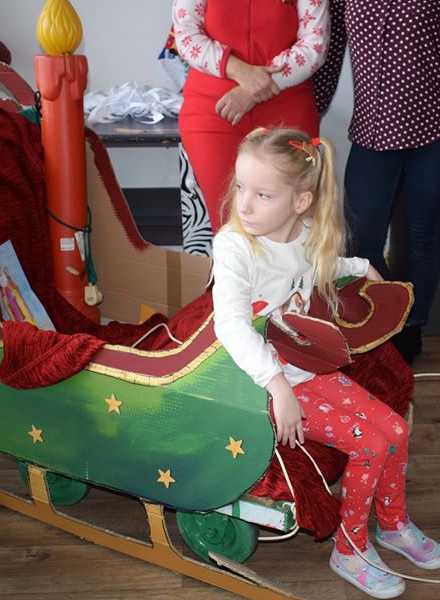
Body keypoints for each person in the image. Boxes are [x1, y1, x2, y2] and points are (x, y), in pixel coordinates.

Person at [212, 127, 440, 598]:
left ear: (300, 202)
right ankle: (349, 548)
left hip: (307, 368)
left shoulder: (304, 235)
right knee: (370, 444)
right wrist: (278, 386)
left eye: (262, 194)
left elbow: (323, 264)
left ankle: (392, 525)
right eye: (241, 187)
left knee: (396, 430)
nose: (244, 205)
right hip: (259, 381)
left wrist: (360, 268)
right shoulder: (235, 246)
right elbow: (230, 326)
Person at [313, 0, 440, 364]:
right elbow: (331, 50)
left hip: (431, 130)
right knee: (359, 239)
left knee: (423, 238)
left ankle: (413, 325)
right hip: (373, 134)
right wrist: (311, 109)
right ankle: (384, 322)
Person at [172, 0, 330, 234]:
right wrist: (239, 71)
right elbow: (186, 35)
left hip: (287, 109)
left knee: (290, 223)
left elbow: (314, 46)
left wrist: (254, 89)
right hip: (214, 112)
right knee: (229, 225)